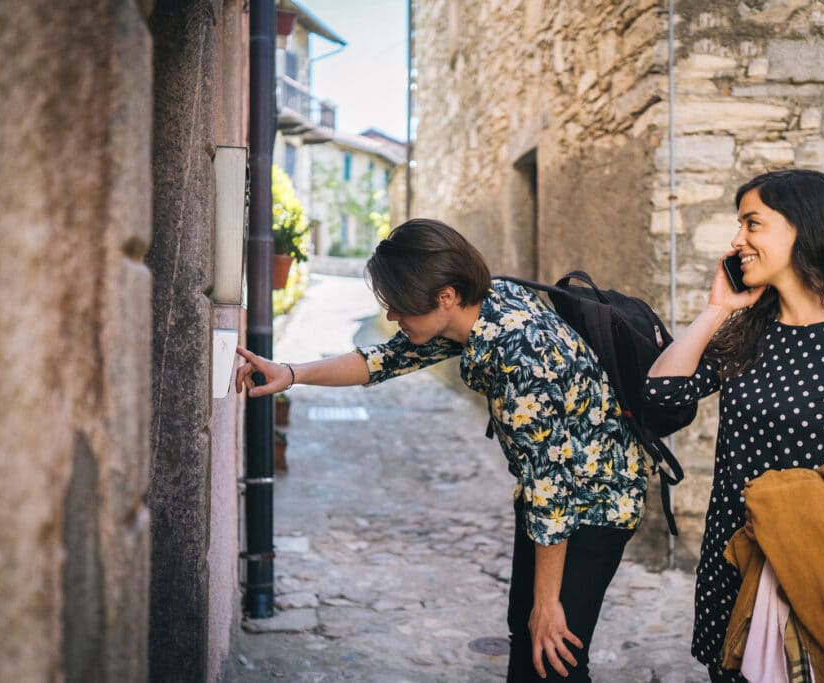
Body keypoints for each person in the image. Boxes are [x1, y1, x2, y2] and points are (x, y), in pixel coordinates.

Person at [235, 218, 651, 682]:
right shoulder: (486, 305)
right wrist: (289, 373)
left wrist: (548, 602)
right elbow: (382, 360)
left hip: (595, 505)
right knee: (528, 635)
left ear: (446, 296)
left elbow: (550, 492)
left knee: (552, 654)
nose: (393, 317)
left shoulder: (520, 353)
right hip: (550, 503)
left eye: (399, 307)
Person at [642, 169, 824, 682]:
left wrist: (801, 519)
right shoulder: (747, 333)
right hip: (729, 563)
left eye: (752, 224)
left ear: (803, 229)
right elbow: (661, 395)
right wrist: (715, 310)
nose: (737, 240)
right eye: (738, 225)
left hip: (804, 577)